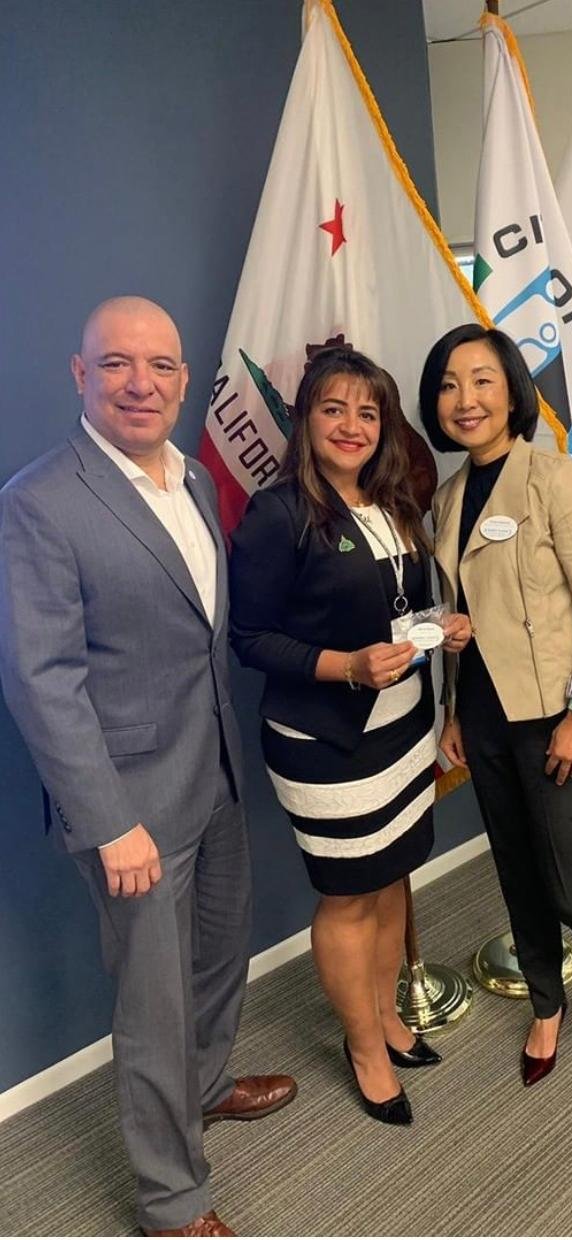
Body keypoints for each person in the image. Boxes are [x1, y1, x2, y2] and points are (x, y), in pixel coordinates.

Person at [0, 297, 296, 1237]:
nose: (141, 383)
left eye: (161, 365)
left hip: (214, 776)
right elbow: (41, 680)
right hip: (130, 809)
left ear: (182, 378)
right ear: (80, 375)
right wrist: (108, 821)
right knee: (153, 1004)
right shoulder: (38, 502)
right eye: (117, 364)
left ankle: (205, 1086)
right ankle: (172, 1199)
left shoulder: (195, 479)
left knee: (217, 957)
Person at [229, 345, 471, 1127]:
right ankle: (364, 1047)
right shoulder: (278, 514)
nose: (352, 425)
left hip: (403, 730)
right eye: (334, 409)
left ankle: (388, 1017)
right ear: (306, 418)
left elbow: (396, 608)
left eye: (368, 413)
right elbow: (250, 638)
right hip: (326, 743)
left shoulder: (393, 501)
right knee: (347, 897)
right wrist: (347, 667)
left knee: (393, 877)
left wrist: (441, 627)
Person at [419, 323, 572, 1089]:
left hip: (554, 717)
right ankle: (546, 1003)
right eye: (449, 385)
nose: (465, 399)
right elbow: (467, 616)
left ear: (513, 390)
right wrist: (454, 709)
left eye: (482, 380)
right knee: (516, 871)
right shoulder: (447, 499)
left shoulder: (556, 480)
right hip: (483, 716)